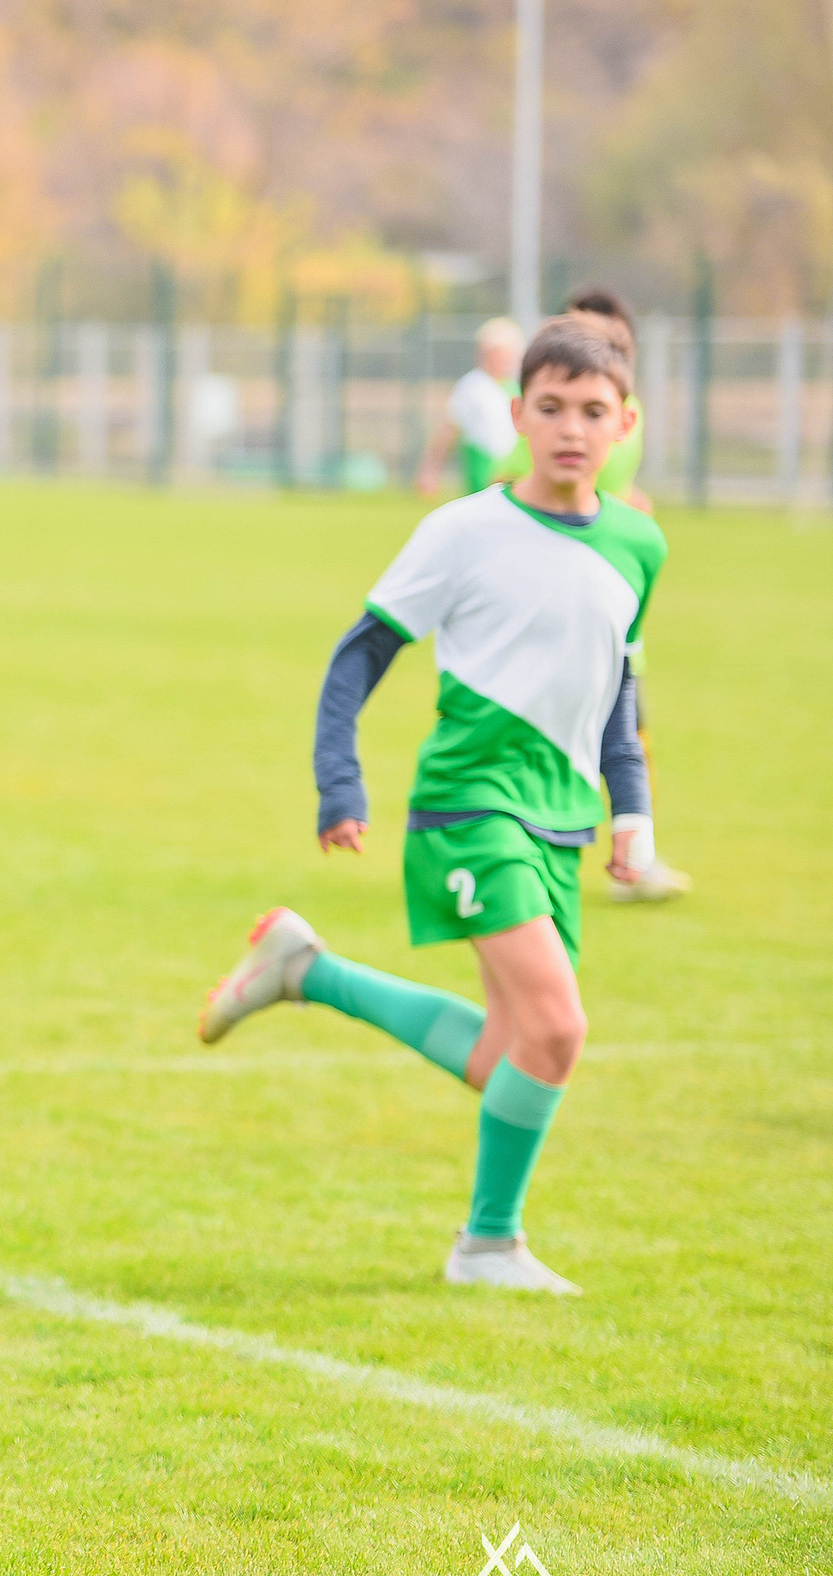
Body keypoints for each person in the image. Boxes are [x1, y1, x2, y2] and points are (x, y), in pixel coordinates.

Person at [200, 317, 662, 1297]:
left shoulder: (637, 544)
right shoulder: (463, 529)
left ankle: (306, 970)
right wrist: (340, 781)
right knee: (560, 1029)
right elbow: (359, 651)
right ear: (514, 415)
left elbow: (618, 696)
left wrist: (633, 813)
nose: (570, 429)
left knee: (513, 1051)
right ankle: (487, 1243)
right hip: (468, 807)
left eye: (591, 411)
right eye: (550, 408)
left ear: (625, 422)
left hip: (560, 819)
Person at [508, 288, 689, 903]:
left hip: (606, 602)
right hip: (547, 608)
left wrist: (624, 507)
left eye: (613, 345)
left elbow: (610, 483)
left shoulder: (621, 417)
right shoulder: (556, 416)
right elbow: (505, 481)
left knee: (626, 725)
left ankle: (634, 848)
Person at [416, 317, 524, 498]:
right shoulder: (472, 386)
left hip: (516, 473)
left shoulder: (519, 386)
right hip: (482, 471)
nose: (501, 359)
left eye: (506, 353)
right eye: (495, 353)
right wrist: (430, 470)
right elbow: (448, 429)